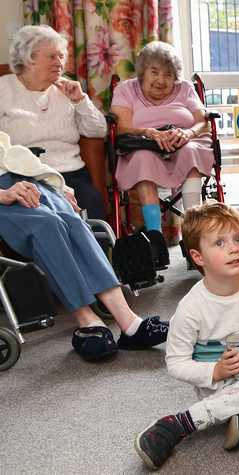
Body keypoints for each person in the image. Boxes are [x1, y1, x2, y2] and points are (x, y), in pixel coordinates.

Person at [134, 203, 239, 470]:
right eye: (220, 243)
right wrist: (215, 371)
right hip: (221, 381)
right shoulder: (191, 307)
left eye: (238, 238)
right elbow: (176, 363)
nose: (234, 248)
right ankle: (177, 424)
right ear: (198, 257)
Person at [0, 131, 167, 361]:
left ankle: (129, 322)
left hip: (24, 178)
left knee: (75, 224)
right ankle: (87, 321)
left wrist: (56, 186)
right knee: (47, 226)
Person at [1, 25, 107, 219]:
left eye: (61, 56)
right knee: (46, 217)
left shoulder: (66, 89)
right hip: (25, 174)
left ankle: (96, 250)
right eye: (52, 57)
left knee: (92, 203)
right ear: (28, 58)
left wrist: (80, 100)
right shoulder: (4, 89)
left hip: (72, 173)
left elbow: (98, 132)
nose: (60, 63)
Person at [110, 41, 214, 232]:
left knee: (191, 151)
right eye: (155, 72)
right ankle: (155, 237)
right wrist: (147, 132)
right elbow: (122, 127)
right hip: (143, 144)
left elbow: (203, 121)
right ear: (143, 72)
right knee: (143, 158)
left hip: (185, 141)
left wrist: (188, 132)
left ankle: (194, 232)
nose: (161, 80)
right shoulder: (126, 89)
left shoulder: (185, 88)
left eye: (168, 74)